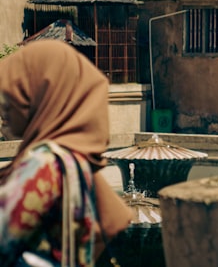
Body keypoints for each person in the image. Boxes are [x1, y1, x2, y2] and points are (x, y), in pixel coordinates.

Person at [0, 40, 133, 266]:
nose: (4, 107)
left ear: (44, 95)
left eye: (13, 93)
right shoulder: (73, 160)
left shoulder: (44, 162)